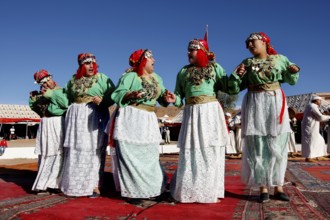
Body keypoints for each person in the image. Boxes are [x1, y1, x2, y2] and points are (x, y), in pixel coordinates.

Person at [228, 32, 300, 202]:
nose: (250, 45)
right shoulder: (246, 63)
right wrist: (237, 75)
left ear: (265, 42)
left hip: (275, 101)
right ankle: (263, 187)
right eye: (247, 43)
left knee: (278, 143)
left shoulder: (280, 59)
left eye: (253, 41)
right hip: (255, 102)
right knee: (258, 145)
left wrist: (292, 70)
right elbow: (234, 88)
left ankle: (278, 186)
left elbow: (291, 81)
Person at [165, 36, 229, 203]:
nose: (188, 53)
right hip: (192, 112)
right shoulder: (183, 72)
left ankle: (209, 190)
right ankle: (190, 189)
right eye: (188, 50)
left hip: (210, 111)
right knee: (192, 150)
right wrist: (174, 99)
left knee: (209, 150)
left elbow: (228, 87)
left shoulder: (215, 68)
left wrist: (234, 74)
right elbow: (179, 95)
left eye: (192, 49)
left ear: (202, 51)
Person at [111, 49, 171, 206]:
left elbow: (162, 95)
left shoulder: (157, 78)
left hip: (149, 118)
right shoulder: (130, 77)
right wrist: (130, 95)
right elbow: (117, 94)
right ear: (142, 61)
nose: (155, 60)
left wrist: (166, 97)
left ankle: (155, 190)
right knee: (132, 155)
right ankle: (135, 193)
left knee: (150, 156)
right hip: (132, 116)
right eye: (151, 58)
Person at [60, 53, 115, 198]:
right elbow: (66, 98)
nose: (91, 66)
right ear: (80, 65)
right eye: (87, 63)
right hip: (76, 116)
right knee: (76, 149)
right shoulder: (73, 80)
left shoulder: (102, 78)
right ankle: (74, 184)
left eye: (93, 63)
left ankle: (94, 186)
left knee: (93, 149)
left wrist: (103, 101)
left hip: (95, 114)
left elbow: (113, 96)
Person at [29, 69, 68, 194]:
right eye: (42, 83)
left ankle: (55, 183)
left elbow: (66, 103)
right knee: (46, 153)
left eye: (47, 80)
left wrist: (51, 94)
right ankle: (43, 184)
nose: (46, 84)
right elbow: (38, 110)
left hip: (57, 122)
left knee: (58, 152)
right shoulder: (42, 93)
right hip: (45, 124)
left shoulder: (61, 91)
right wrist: (33, 99)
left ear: (51, 78)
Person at [301, 96, 330, 162]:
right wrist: (329, 116)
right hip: (310, 128)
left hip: (312, 127)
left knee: (320, 140)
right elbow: (320, 117)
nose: (320, 102)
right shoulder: (312, 106)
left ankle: (318, 156)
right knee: (310, 142)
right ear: (316, 100)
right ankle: (308, 158)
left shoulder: (310, 106)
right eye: (319, 101)